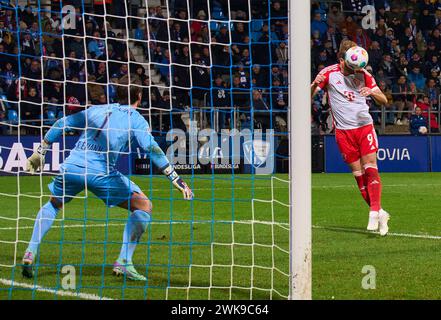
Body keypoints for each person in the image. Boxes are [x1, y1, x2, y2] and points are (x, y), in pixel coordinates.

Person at [22, 86, 194, 280]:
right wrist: (174, 177)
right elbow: (151, 147)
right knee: (144, 205)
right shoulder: (136, 119)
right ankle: (124, 262)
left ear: (116, 94)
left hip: (71, 167)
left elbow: (63, 123)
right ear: (139, 96)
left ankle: (30, 252)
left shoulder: (96, 109)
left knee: (54, 204)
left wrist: (41, 151)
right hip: (100, 174)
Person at [310, 40, 390, 236]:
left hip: (364, 127)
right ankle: (380, 212)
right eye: (350, 64)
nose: (356, 68)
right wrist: (313, 83)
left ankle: (373, 212)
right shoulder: (329, 73)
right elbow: (306, 97)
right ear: (342, 60)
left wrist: (371, 91)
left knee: (370, 167)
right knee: (359, 177)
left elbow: (385, 100)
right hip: (344, 133)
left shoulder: (364, 74)